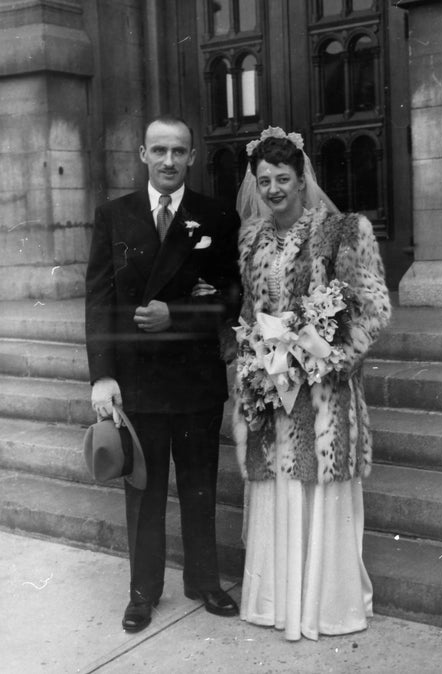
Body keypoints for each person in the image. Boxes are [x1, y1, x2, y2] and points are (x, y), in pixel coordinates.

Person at [233, 127, 391, 641]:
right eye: (265, 181)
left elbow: (372, 310)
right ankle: (278, 604)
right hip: (273, 388)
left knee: (318, 489)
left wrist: (329, 356)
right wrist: (252, 364)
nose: (274, 189)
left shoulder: (344, 231)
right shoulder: (253, 240)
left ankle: (325, 607)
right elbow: (249, 312)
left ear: (303, 180)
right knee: (277, 485)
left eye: (283, 178)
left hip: (323, 392)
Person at [85, 114, 241, 632]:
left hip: (195, 378)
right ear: (142, 155)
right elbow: (99, 302)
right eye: (159, 151)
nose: (169, 160)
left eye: (179, 151)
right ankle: (143, 590)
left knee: (200, 485)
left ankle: (204, 580)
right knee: (144, 491)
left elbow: (232, 298)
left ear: (192, 156)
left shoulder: (215, 215)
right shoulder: (114, 215)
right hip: (139, 382)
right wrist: (102, 376)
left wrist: (178, 314)